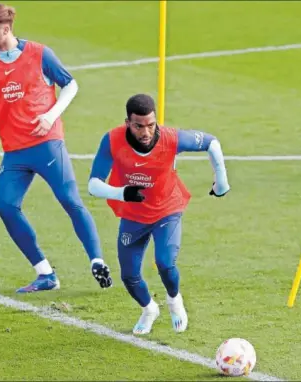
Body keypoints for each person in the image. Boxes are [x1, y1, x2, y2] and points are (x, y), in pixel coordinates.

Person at [0, 3, 112, 293]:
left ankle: (97, 261)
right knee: (7, 206)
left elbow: (71, 85)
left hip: (47, 145)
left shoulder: (40, 54)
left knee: (70, 201)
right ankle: (46, 273)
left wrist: (51, 115)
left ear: (5, 28)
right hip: (15, 153)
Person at [88, 94, 230, 335]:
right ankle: (149, 309)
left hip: (167, 210)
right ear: (127, 123)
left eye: (151, 125)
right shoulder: (112, 140)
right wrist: (123, 193)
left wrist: (221, 181)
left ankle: (175, 301)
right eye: (139, 126)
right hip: (133, 215)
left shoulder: (172, 138)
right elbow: (93, 184)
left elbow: (211, 142)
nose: (146, 132)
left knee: (165, 262)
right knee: (129, 275)